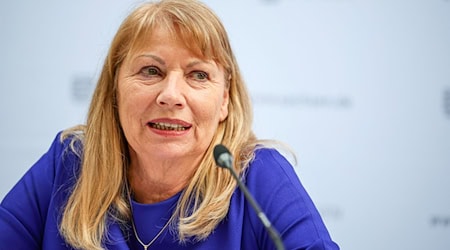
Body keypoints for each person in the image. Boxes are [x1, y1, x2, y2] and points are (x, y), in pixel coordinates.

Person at [0, 0, 339, 249]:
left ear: (224, 99)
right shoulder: (70, 162)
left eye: (198, 75)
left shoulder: (258, 177)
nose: (171, 95)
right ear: (114, 88)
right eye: (151, 71)